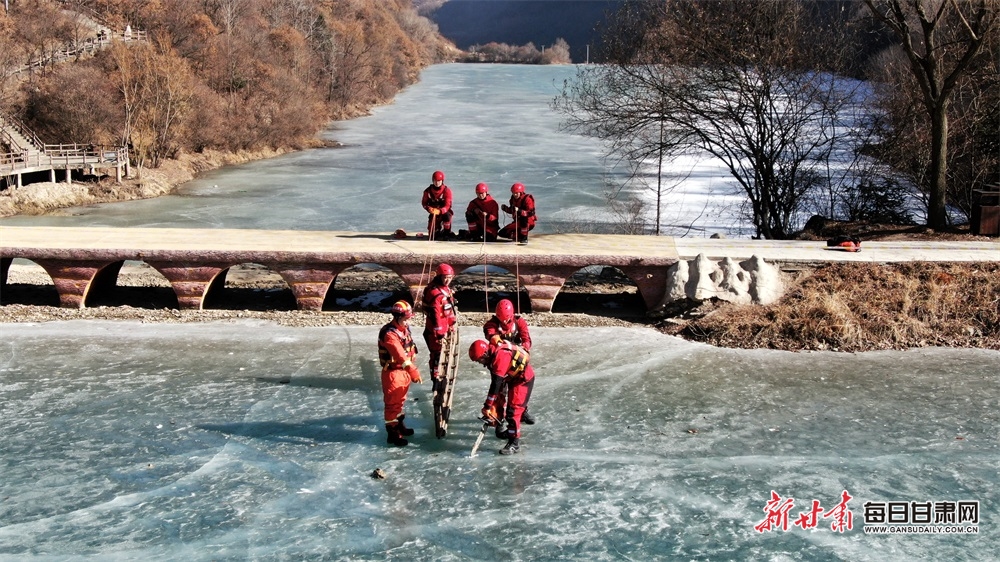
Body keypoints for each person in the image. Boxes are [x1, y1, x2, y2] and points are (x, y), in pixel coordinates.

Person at [469, 339, 535, 455]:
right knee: (498, 401)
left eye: (479, 360)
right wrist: (493, 406)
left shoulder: (501, 356)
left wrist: (487, 406)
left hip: (523, 380)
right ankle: (501, 429)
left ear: (485, 354)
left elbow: (496, 384)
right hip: (512, 378)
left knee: (513, 411)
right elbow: (497, 388)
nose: (480, 363)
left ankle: (514, 443)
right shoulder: (492, 357)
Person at [483, 299, 534, 437]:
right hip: (501, 364)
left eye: (507, 320)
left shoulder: (519, 322)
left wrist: (525, 348)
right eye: (502, 320)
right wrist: (498, 341)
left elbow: (526, 339)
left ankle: (522, 411)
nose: (504, 322)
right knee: (500, 392)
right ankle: (499, 420)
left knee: (519, 392)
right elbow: (490, 334)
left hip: (517, 363)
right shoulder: (492, 324)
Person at [377, 301, 423, 447]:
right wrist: (413, 371)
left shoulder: (404, 328)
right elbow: (400, 355)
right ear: (397, 316)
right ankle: (392, 433)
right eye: (406, 317)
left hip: (403, 373)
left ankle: (399, 425)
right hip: (393, 374)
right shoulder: (390, 334)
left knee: (400, 401)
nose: (408, 320)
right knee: (392, 404)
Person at [422, 263, 458, 385]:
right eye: (445, 277)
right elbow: (436, 314)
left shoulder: (445, 290)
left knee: (440, 354)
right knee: (436, 355)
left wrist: (451, 324)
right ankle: (435, 379)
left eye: (449, 277)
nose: (447, 280)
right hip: (434, 330)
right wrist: (439, 334)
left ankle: (440, 375)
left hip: (445, 326)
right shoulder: (434, 293)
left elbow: (449, 309)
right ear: (439, 277)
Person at [422, 170, 454, 240]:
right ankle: (436, 231)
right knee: (432, 236)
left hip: (444, 213)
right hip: (434, 213)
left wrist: (440, 211)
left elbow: (448, 205)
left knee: (447, 216)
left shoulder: (446, 191)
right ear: (432, 180)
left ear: (442, 181)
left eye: (439, 181)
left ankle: (447, 232)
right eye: (435, 180)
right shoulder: (427, 191)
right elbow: (424, 203)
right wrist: (428, 208)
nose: (437, 183)